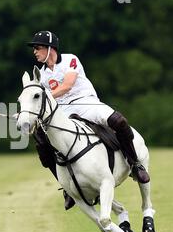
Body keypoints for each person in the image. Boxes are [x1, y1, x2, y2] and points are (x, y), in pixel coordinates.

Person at [26, 31, 150, 210]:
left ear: (50, 48)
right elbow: (37, 101)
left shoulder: (70, 60)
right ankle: (67, 188)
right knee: (42, 141)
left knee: (119, 121)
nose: (35, 52)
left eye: (37, 48)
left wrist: (43, 98)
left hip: (86, 103)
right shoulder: (42, 75)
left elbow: (68, 85)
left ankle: (135, 164)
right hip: (64, 112)